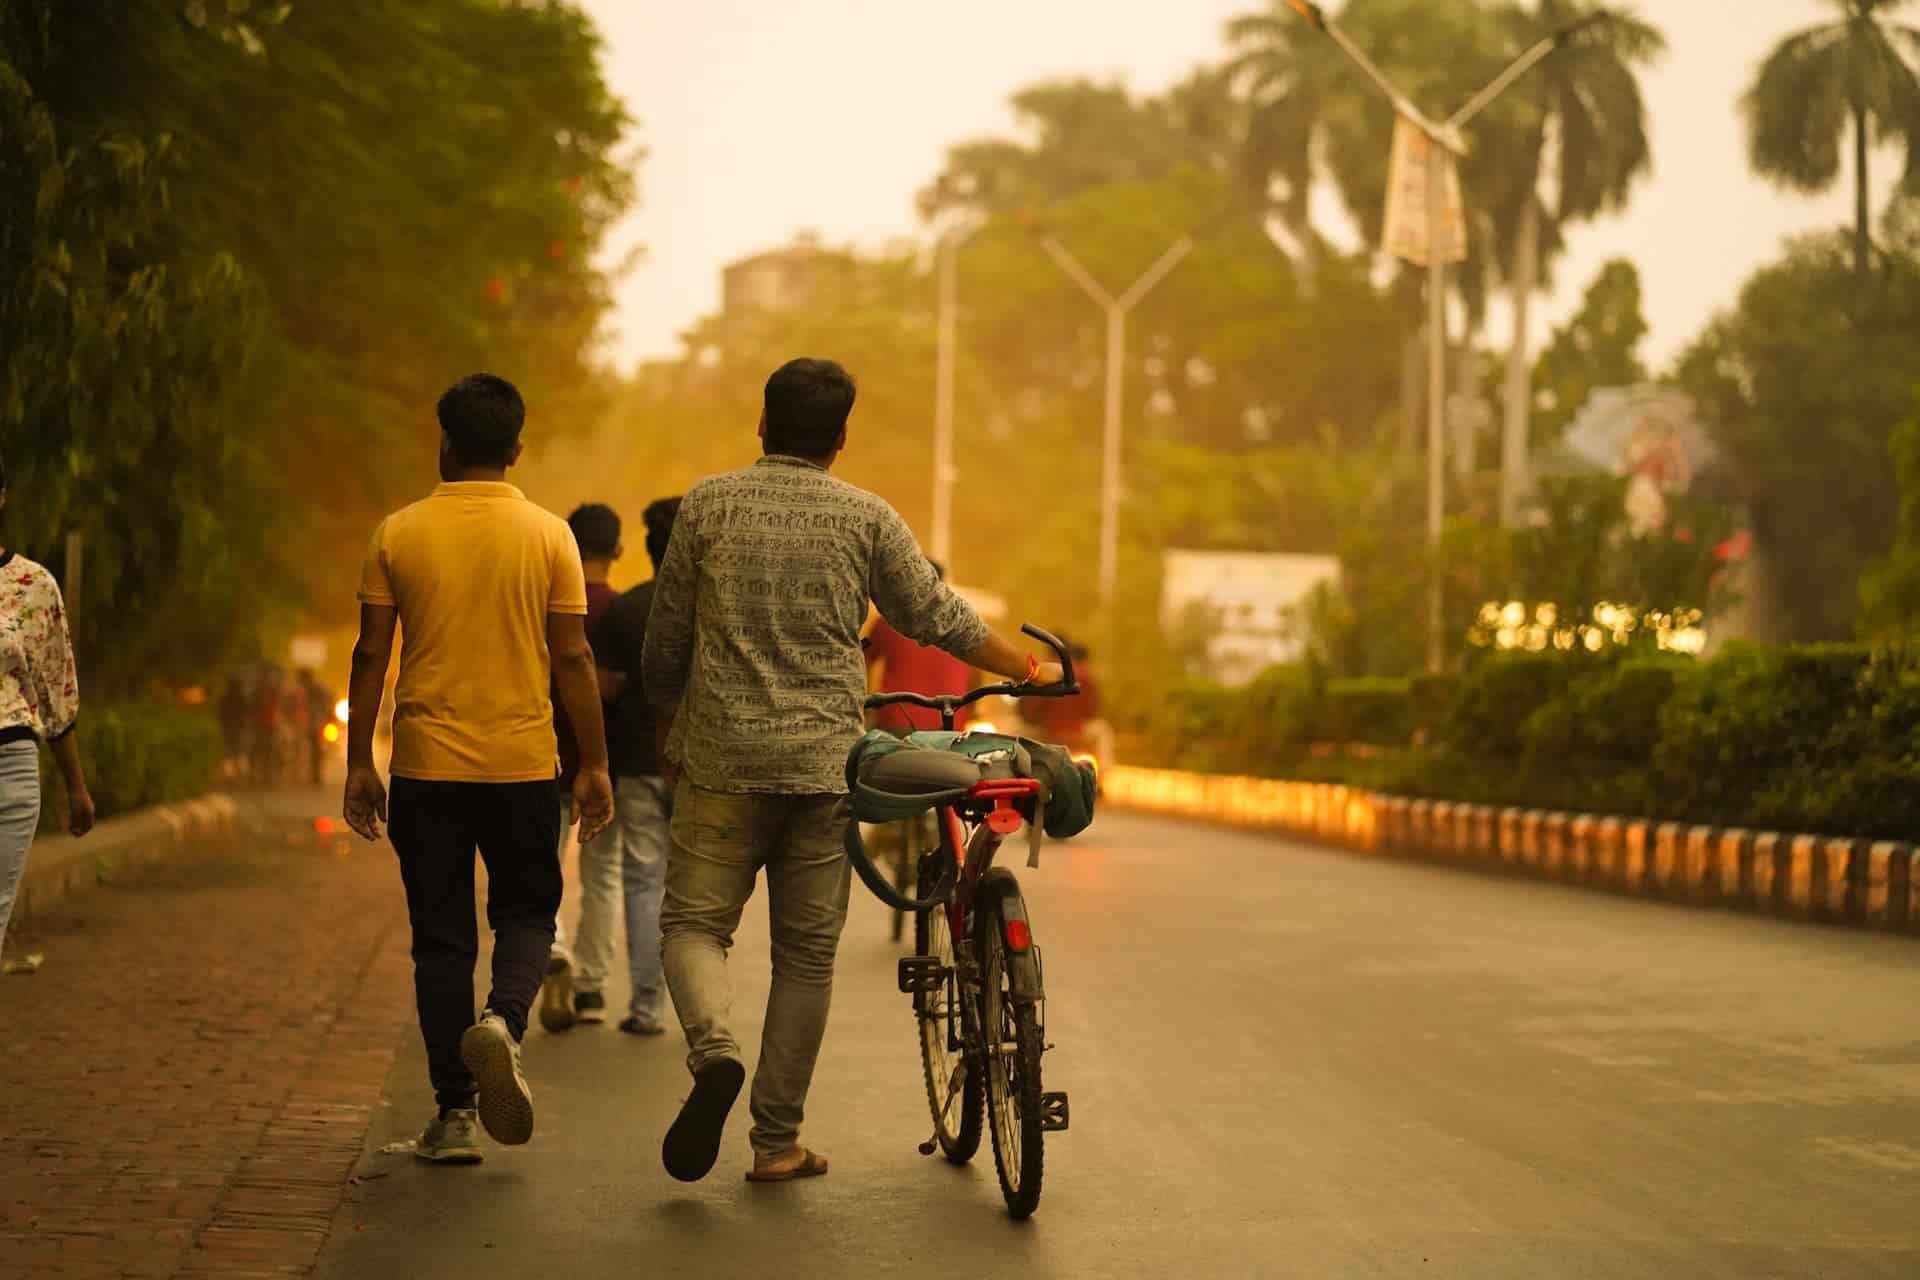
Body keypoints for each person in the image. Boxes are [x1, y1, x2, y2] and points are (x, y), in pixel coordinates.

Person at [642, 357, 1062, 1185]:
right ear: (840, 437)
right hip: (824, 768)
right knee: (804, 957)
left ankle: (715, 1051)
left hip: (721, 761)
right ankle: (775, 1143)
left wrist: (669, 730)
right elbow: (936, 615)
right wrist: (1027, 667)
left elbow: (666, 641)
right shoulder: (866, 516)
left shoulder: (707, 505)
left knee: (693, 927)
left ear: (763, 423)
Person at [343, 373, 614, 1166]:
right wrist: (594, 763)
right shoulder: (551, 537)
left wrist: (360, 762)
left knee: (441, 941)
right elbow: (574, 656)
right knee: (527, 913)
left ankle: (455, 1115)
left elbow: (371, 654)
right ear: (516, 448)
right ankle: (502, 1021)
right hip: (522, 765)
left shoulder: (397, 533)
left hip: (426, 768)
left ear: (445, 443)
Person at [577, 495, 681, 1036]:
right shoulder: (714, 609)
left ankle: (647, 1007)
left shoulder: (626, 611)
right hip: (702, 770)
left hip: (638, 766)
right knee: (699, 893)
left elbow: (602, 690)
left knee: (643, 882)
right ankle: (703, 1010)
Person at [0, 451, 96, 952]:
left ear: (1, 498)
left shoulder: (34, 586)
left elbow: (56, 692)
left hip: (9, 765)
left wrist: (76, 787)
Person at [538, 502, 625, 1033]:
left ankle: (553, 947)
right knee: (602, 875)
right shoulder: (621, 610)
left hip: (546, 756)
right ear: (618, 550)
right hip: (604, 763)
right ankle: (592, 988)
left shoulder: (548, 608)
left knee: (543, 864)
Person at [863, 560, 973, 734]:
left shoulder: (890, 621)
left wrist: (866, 705)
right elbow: (975, 674)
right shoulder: (959, 622)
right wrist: (969, 712)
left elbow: (863, 661)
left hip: (899, 722)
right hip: (949, 723)